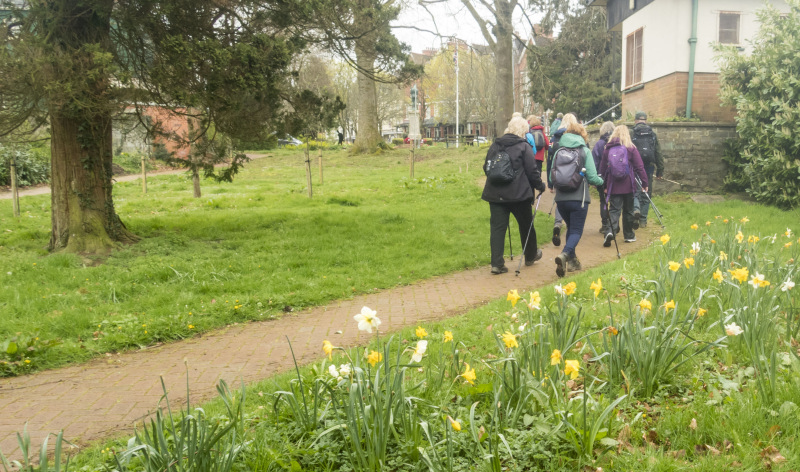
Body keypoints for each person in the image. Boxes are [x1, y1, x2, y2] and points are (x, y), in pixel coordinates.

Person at [482, 116, 547, 274]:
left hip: (495, 194)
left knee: (497, 228)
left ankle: (497, 264)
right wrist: (540, 186)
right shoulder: (523, 147)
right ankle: (530, 256)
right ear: (522, 131)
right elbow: (532, 171)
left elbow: (487, 167)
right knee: (526, 225)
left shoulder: (495, 145)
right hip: (519, 195)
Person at [550, 120, 603, 277]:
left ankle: (572, 262)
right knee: (576, 230)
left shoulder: (559, 151)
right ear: (583, 135)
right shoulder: (584, 151)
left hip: (561, 200)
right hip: (578, 198)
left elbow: (551, 178)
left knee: (570, 227)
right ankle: (565, 254)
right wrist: (602, 181)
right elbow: (593, 177)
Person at [600, 125, 648, 246]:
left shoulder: (608, 148)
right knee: (628, 210)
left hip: (613, 186)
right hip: (629, 186)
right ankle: (629, 235)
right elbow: (640, 167)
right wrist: (644, 183)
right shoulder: (631, 148)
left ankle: (610, 232)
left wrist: (604, 185)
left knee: (614, 210)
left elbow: (603, 169)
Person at [547, 113, 580, 246]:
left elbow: (550, 160)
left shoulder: (554, 138)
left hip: (559, 175)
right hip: (575, 177)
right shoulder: (577, 137)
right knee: (573, 201)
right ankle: (571, 229)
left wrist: (550, 183)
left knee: (560, 199)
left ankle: (558, 223)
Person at [630, 112, 664, 228]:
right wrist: (660, 170)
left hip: (634, 168)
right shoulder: (652, 134)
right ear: (646, 120)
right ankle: (643, 220)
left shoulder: (631, 133)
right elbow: (658, 153)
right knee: (646, 192)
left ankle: (636, 210)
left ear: (635, 120)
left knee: (635, 191)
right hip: (648, 168)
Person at [591, 121, 615, 234]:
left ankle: (605, 225)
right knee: (615, 201)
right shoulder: (617, 142)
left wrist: (594, 178)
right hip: (616, 177)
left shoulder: (599, 144)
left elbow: (594, 162)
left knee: (603, 201)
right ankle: (614, 225)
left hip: (602, 176)